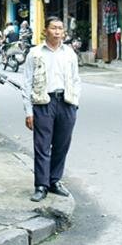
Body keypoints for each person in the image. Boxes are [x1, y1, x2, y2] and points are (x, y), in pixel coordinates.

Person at [23, 16, 81, 202]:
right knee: (41, 146)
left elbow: (75, 79)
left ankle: (55, 180)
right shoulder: (35, 53)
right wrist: (28, 111)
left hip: (66, 102)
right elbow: (27, 83)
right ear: (45, 31)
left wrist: (75, 103)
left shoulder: (69, 53)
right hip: (43, 103)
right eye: (54, 28)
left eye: (60, 28)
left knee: (62, 145)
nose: (57, 32)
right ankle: (41, 185)